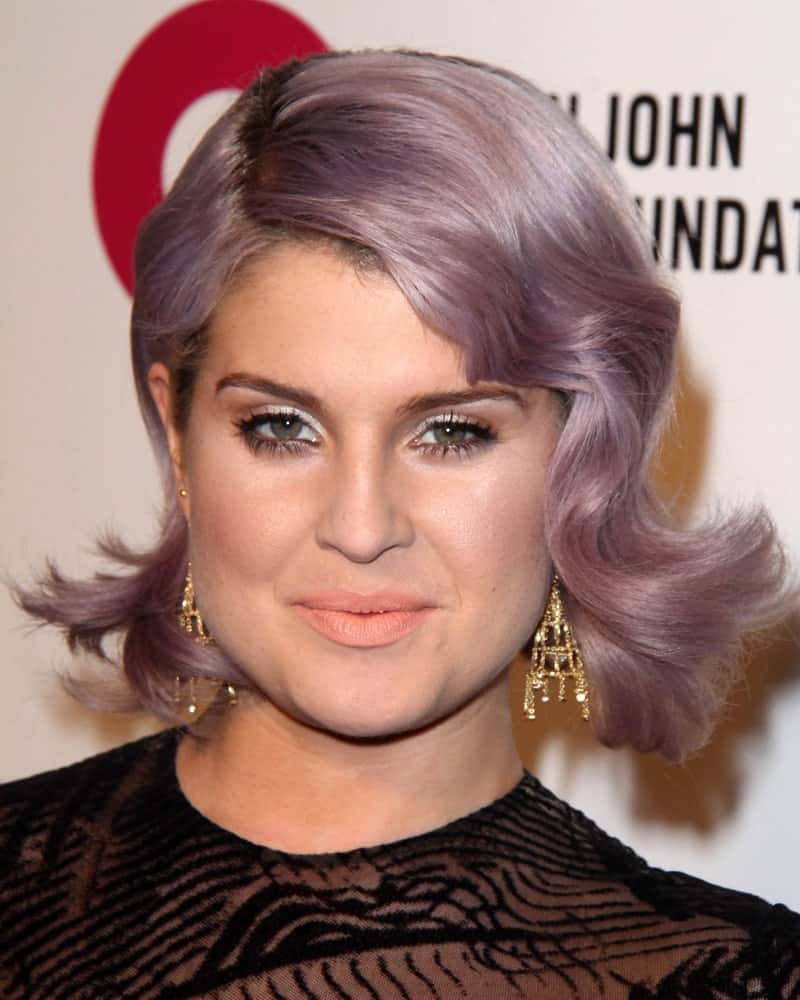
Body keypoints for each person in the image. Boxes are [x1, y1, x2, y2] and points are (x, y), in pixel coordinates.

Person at [1, 49, 797, 999]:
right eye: (282, 428)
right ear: (179, 439)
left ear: (585, 457)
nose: (362, 525)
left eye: (453, 432)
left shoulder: (730, 980)